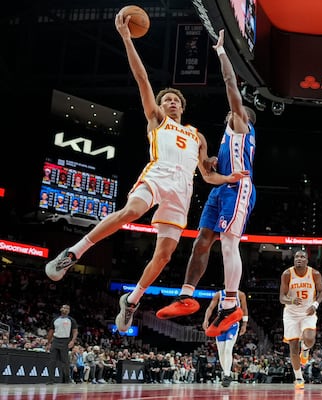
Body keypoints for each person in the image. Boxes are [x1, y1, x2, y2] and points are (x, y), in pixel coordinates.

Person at [44, 12, 246, 333]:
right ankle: (73, 253)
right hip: (157, 176)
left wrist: (227, 178)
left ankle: (132, 300)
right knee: (131, 211)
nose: (170, 103)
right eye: (166, 100)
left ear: (182, 107)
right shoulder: (157, 120)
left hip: (182, 193)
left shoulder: (197, 136)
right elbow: (142, 78)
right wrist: (126, 39)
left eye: (174, 100)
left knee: (164, 256)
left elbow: (207, 176)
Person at [156, 29, 257, 338]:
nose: (229, 110)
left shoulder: (240, 125)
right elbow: (210, 176)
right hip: (222, 188)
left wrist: (221, 53)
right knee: (202, 239)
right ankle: (186, 295)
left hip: (239, 189)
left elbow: (230, 85)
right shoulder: (227, 141)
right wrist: (214, 167)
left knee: (228, 242)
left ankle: (229, 303)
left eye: (234, 109)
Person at [279, 250, 322, 390]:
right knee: (293, 347)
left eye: (302, 257)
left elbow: (321, 291)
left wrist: (315, 305)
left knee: (309, 338)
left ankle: (305, 349)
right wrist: (291, 299)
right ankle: (299, 378)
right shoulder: (287, 274)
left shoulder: (315, 274)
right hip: (291, 314)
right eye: (297, 257)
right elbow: (282, 298)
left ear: (307, 260)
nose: (299, 259)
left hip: (308, 312)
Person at [203, 289, 248, 387]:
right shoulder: (218, 294)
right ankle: (227, 374)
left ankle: (227, 375)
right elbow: (210, 308)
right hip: (220, 325)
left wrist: (244, 324)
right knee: (221, 352)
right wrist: (206, 320)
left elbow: (244, 309)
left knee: (228, 349)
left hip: (233, 325)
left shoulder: (240, 294)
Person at [46, 304, 78, 384]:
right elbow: (51, 331)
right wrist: (49, 343)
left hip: (65, 340)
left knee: (65, 362)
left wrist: (72, 341)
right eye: (64, 308)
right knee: (52, 361)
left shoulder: (71, 320)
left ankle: (67, 379)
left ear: (69, 311)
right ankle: (50, 380)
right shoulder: (55, 320)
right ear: (61, 309)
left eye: (67, 308)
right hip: (55, 340)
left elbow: (75, 331)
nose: (65, 309)